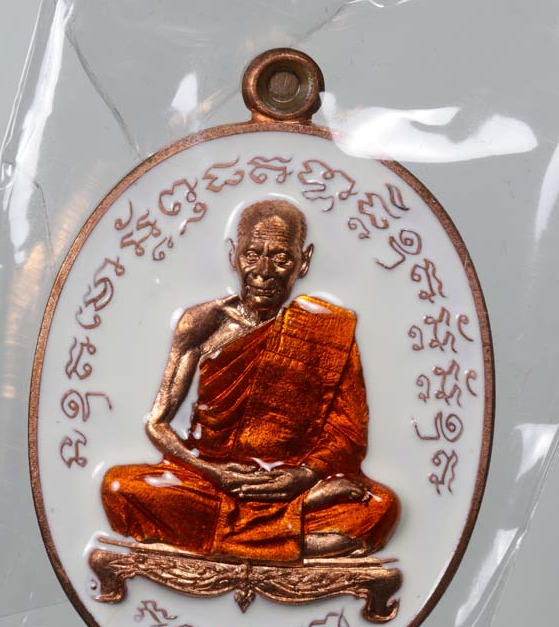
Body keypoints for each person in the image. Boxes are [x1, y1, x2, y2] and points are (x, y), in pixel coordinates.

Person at [101, 199, 400, 562]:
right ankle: (285, 533)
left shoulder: (328, 328)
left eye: (281, 257)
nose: (264, 271)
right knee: (118, 487)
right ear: (234, 255)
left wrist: (305, 477)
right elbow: (157, 424)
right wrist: (214, 472)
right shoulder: (203, 324)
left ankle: (236, 536)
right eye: (252, 254)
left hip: (290, 483)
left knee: (381, 506)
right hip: (211, 481)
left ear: (304, 261)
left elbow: (347, 435)